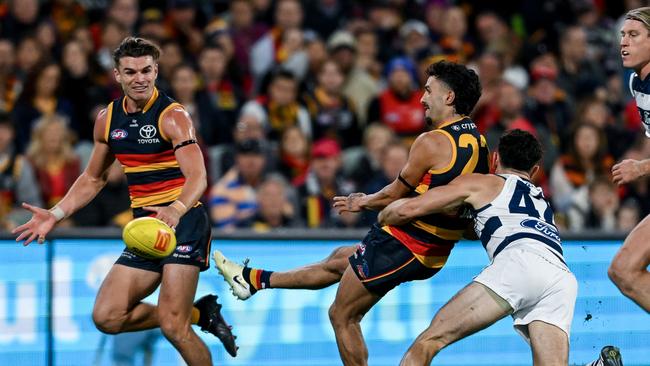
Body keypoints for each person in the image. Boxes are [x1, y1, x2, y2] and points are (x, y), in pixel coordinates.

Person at [214, 60, 488, 365]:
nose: (422, 98)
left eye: (428, 91)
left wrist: (363, 201)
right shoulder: (480, 142)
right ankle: (252, 279)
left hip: (405, 244)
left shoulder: (432, 141)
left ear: (448, 97)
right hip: (431, 249)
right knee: (338, 260)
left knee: (343, 315)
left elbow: (395, 192)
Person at [12, 37, 237, 364]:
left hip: (184, 222)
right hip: (146, 228)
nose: (140, 78)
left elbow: (198, 177)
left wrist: (175, 209)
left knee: (173, 327)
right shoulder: (108, 119)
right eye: (130, 72)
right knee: (108, 316)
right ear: (117, 75)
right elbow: (93, 178)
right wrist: (56, 213)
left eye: (146, 70)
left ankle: (187, 317)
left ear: (156, 71)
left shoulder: (173, 116)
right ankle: (201, 315)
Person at [378, 129, 578, 365]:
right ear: (534, 171)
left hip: (518, 263)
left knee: (428, 342)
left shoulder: (482, 182)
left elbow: (407, 210)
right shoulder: (542, 201)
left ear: (494, 159)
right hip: (561, 277)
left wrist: (382, 216)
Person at [608, 6, 650, 313]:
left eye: (634, 35)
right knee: (623, 269)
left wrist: (642, 167)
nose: (624, 42)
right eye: (623, 35)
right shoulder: (637, 83)